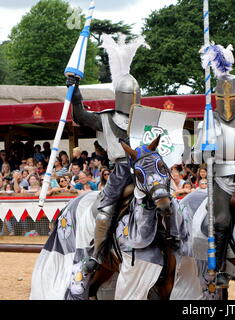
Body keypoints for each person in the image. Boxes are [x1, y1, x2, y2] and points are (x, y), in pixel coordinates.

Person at [67, 35, 148, 275]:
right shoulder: (106, 118)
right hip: (121, 172)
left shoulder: (147, 117)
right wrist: (76, 90)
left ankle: (175, 239)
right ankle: (98, 252)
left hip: (145, 167)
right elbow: (81, 116)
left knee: (166, 200)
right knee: (105, 210)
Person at [192, 49, 235, 287]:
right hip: (219, 180)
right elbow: (194, 155)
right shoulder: (208, 121)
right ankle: (217, 268)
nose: (228, 103)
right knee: (220, 220)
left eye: (232, 98)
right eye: (224, 98)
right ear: (217, 97)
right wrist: (205, 151)